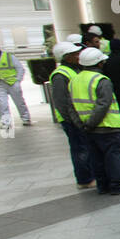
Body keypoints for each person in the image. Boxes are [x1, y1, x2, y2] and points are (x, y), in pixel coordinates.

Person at [67, 47, 120, 195]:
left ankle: (102, 186)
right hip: (108, 126)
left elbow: (71, 105)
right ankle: (118, 185)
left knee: (97, 159)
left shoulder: (74, 80)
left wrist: (82, 124)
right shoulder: (101, 80)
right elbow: (103, 104)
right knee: (114, 157)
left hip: (87, 128)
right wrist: (92, 122)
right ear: (99, 63)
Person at [49, 41, 93, 189]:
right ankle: (85, 179)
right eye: (75, 54)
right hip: (71, 121)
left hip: (79, 117)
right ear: (66, 57)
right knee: (80, 149)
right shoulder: (60, 75)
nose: (78, 55)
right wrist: (73, 120)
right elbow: (61, 102)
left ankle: (88, 175)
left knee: (84, 147)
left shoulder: (74, 70)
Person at [0, 37, 30, 132]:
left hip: (12, 83)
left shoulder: (8, 56)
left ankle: (26, 118)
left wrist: (17, 81)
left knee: (19, 102)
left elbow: (20, 68)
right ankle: (6, 123)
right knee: (2, 104)